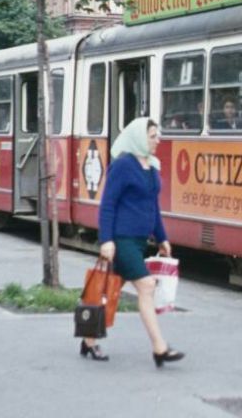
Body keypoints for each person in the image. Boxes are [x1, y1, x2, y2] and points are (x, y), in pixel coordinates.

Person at [80, 117, 183, 368]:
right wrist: (106, 240)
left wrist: (162, 237)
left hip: (139, 241)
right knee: (146, 287)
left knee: (107, 291)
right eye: (153, 136)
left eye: (158, 136)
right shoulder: (123, 165)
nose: (158, 140)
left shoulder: (152, 166)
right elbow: (108, 205)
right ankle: (160, 348)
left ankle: (88, 340)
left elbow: (153, 206)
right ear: (138, 137)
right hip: (122, 239)